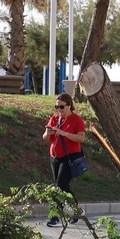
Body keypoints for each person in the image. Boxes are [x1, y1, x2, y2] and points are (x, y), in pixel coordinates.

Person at [43, 94, 88, 226]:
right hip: (55, 157)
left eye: (62, 107)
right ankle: (77, 210)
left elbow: (81, 138)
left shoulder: (76, 120)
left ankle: (56, 217)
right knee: (64, 187)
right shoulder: (54, 118)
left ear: (69, 106)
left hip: (69, 158)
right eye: (57, 106)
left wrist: (64, 133)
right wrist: (48, 133)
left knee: (59, 187)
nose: (59, 109)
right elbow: (45, 138)